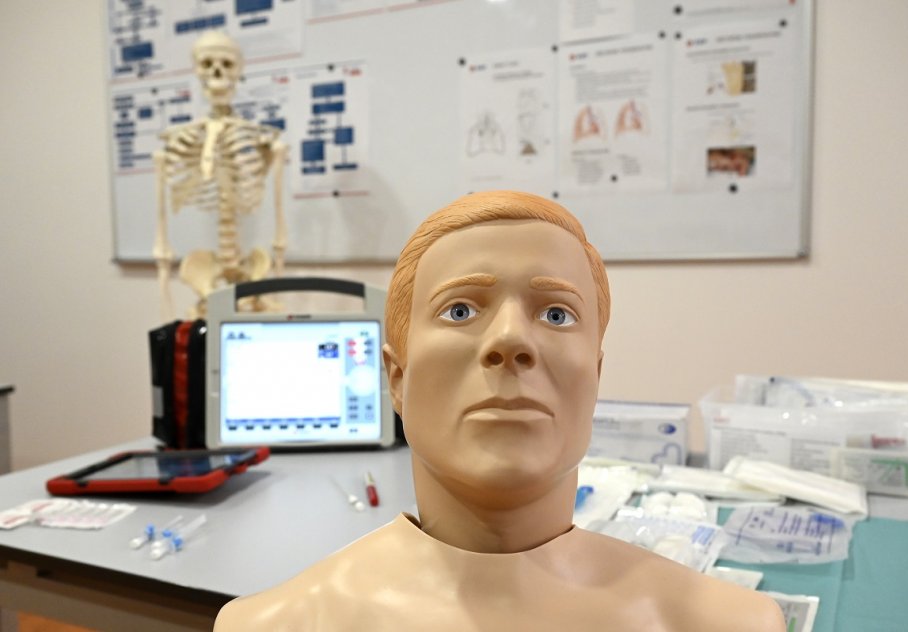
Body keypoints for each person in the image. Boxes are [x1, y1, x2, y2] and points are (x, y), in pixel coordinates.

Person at [214, 190, 785, 631]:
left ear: (596, 376)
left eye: (556, 314)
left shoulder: (733, 623)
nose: (511, 339)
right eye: (461, 310)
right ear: (397, 378)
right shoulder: (269, 624)